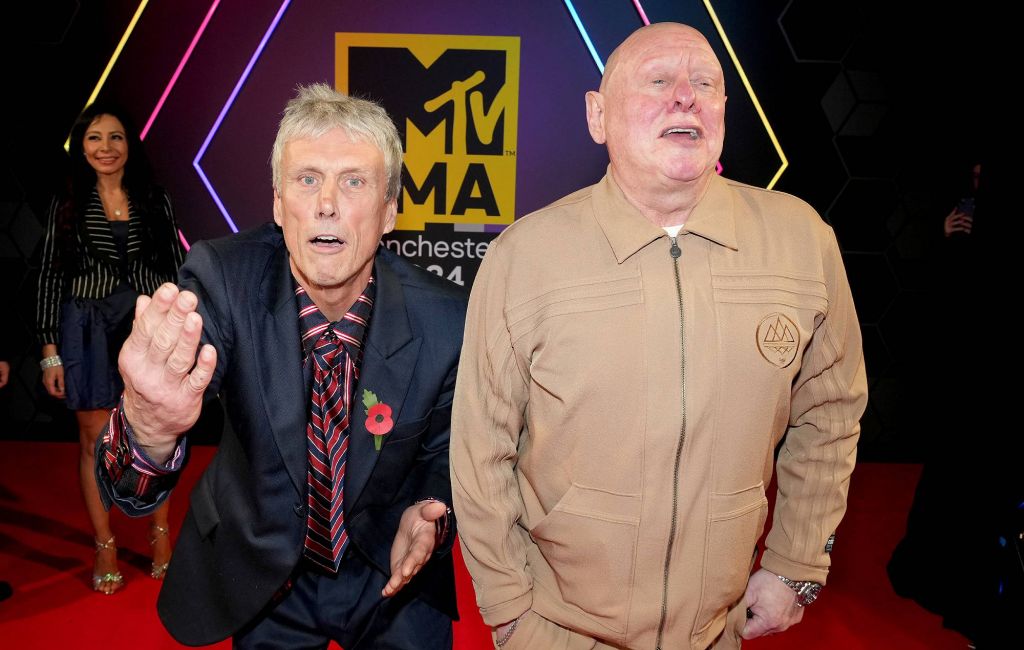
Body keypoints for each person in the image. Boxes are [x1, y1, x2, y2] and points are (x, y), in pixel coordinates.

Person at [451, 22, 867, 650]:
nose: (685, 97)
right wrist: (510, 610)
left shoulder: (800, 241)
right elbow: (481, 448)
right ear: (597, 115)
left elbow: (830, 414)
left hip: (717, 632)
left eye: (705, 82)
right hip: (559, 632)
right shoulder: (526, 256)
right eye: (658, 81)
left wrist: (796, 564)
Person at [95, 83, 466, 648]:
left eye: (354, 181)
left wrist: (430, 517)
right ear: (277, 203)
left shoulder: (444, 317)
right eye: (307, 178)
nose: (326, 204)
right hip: (266, 572)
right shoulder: (223, 280)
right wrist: (149, 428)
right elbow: (129, 487)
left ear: (389, 211)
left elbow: (446, 455)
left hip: (391, 567)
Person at [36, 103, 184, 594]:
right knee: (93, 439)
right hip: (88, 330)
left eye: (115, 137)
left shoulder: (154, 199)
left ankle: (160, 534)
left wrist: (180, 327)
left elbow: (174, 265)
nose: (105, 148)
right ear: (82, 147)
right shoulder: (67, 201)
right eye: (95, 138)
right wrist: (49, 351)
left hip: (146, 326)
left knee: (153, 435)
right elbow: (50, 276)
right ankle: (105, 545)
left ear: (129, 145)